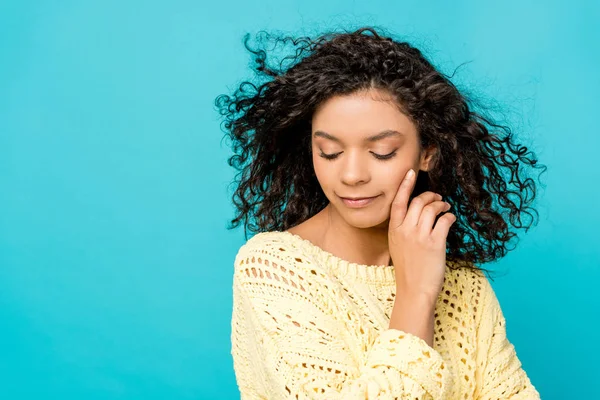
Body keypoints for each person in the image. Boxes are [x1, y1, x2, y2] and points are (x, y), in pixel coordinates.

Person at [216, 26, 546, 399]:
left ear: (427, 152)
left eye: (382, 152)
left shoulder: (464, 286)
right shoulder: (273, 268)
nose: (352, 175)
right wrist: (416, 293)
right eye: (329, 152)